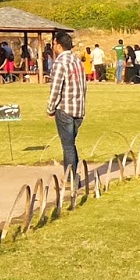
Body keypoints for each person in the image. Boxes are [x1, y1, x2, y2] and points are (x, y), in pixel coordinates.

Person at [45, 31, 87, 187]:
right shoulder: (77, 61)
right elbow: (83, 87)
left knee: (67, 145)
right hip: (78, 108)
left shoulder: (60, 63)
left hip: (65, 109)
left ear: (58, 45)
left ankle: (70, 179)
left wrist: (50, 108)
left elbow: (55, 89)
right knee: (71, 144)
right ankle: (73, 175)